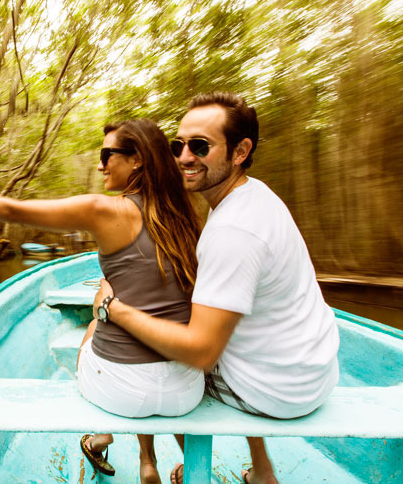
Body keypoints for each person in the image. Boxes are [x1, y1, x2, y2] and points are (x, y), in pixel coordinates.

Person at [0, 119, 205, 483]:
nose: (100, 165)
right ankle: (149, 461)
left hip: (121, 394)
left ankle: (113, 440)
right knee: (131, 323)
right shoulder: (187, 217)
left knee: (98, 323)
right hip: (185, 392)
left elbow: (11, 210)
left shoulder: (106, 210)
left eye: (106, 155)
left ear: (137, 161)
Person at [93, 93, 340, 484]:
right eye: (179, 145)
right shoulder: (254, 195)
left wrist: (115, 308)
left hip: (274, 390)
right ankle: (262, 471)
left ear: (241, 151)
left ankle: (164, 464)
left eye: (201, 146)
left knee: (149, 357)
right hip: (314, 368)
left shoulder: (231, 232)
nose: (185, 157)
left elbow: (202, 353)